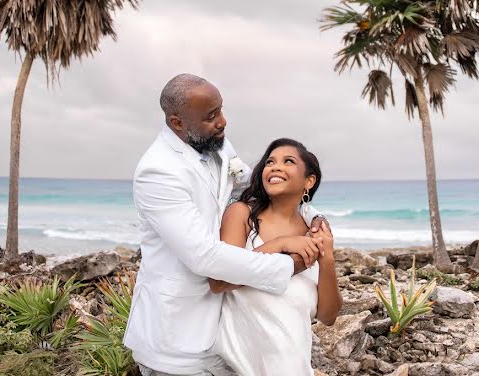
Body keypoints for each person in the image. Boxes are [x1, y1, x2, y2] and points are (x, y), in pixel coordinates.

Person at [124, 74, 329, 376]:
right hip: (176, 338)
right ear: (177, 122)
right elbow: (204, 257)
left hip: (226, 334)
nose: (223, 121)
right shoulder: (157, 171)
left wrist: (313, 217)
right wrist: (287, 258)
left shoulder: (218, 146)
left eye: (220, 110)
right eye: (211, 116)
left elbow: (258, 187)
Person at [210, 138, 342, 376]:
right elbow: (220, 280)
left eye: (288, 161)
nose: (275, 167)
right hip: (237, 367)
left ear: (308, 181)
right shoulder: (242, 214)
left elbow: (328, 316)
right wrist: (279, 244)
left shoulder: (314, 233)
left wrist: (327, 259)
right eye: (270, 162)